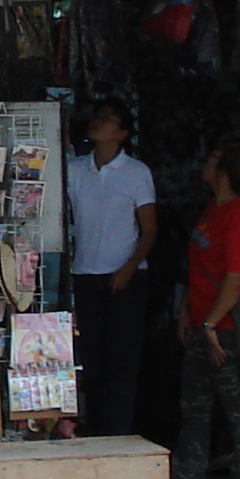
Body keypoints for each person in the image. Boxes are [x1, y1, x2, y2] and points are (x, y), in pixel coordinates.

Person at [168, 139, 240, 479]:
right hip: (203, 324)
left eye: (212, 158)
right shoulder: (214, 209)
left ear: (224, 171)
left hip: (226, 330)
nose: (205, 165)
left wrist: (210, 322)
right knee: (194, 412)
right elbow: (200, 268)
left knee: (238, 412)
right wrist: (187, 311)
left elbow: (238, 277)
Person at [65, 98, 158, 439]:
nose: (97, 123)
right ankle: (93, 431)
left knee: (122, 359)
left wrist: (130, 266)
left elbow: (149, 228)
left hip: (127, 276)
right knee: (92, 360)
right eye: (97, 117)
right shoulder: (75, 169)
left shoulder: (136, 173)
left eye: (107, 120)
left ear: (121, 133)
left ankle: (118, 433)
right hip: (86, 273)